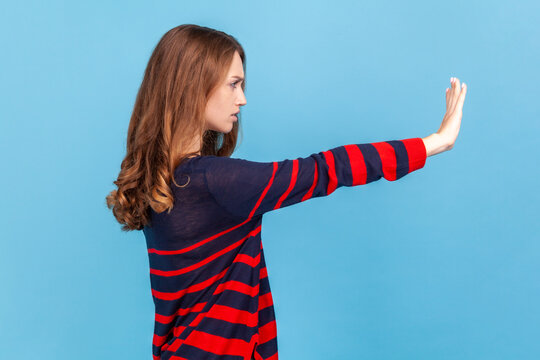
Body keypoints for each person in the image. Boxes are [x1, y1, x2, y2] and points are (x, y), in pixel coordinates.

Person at [106, 24, 467, 360]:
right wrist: (434, 142)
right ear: (194, 86)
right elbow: (327, 169)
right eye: (234, 84)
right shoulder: (217, 182)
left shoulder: (163, 184)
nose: (242, 99)